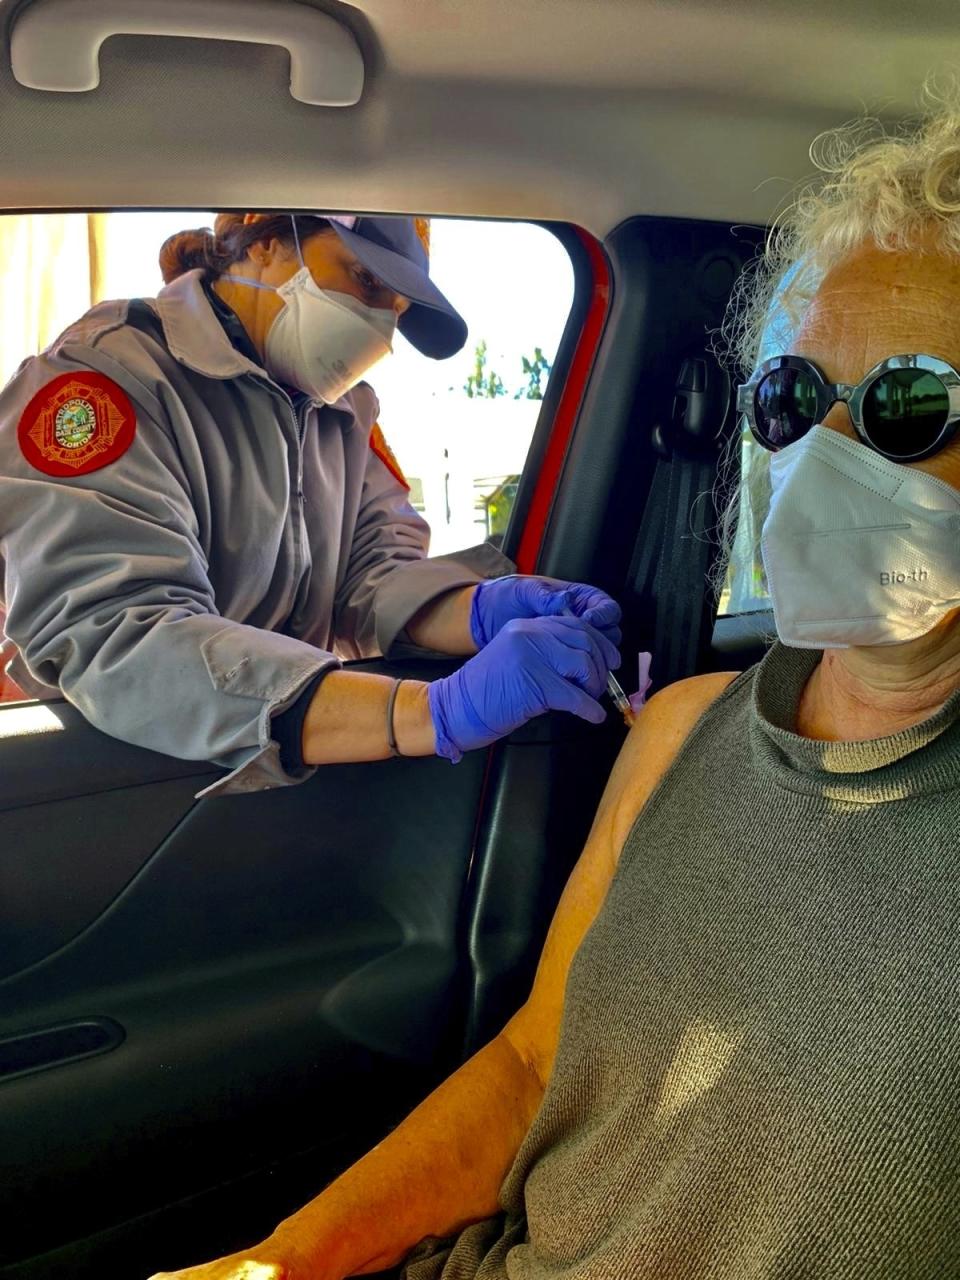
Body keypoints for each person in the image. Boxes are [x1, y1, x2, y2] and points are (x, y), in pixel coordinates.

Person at [148, 85, 960, 1279]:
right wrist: (283, 1259)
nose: (823, 455)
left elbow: (370, 569)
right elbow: (538, 1065)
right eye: (791, 400)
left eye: (906, 404)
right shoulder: (681, 731)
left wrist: (443, 649)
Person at [0, 213, 621, 793]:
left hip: (284, 757)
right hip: (106, 778)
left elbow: (371, 582)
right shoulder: (104, 381)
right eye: (367, 281)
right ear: (265, 237)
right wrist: (427, 713)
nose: (380, 327)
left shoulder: (347, 415)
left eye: (397, 311)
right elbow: (113, 633)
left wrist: (482, 609)